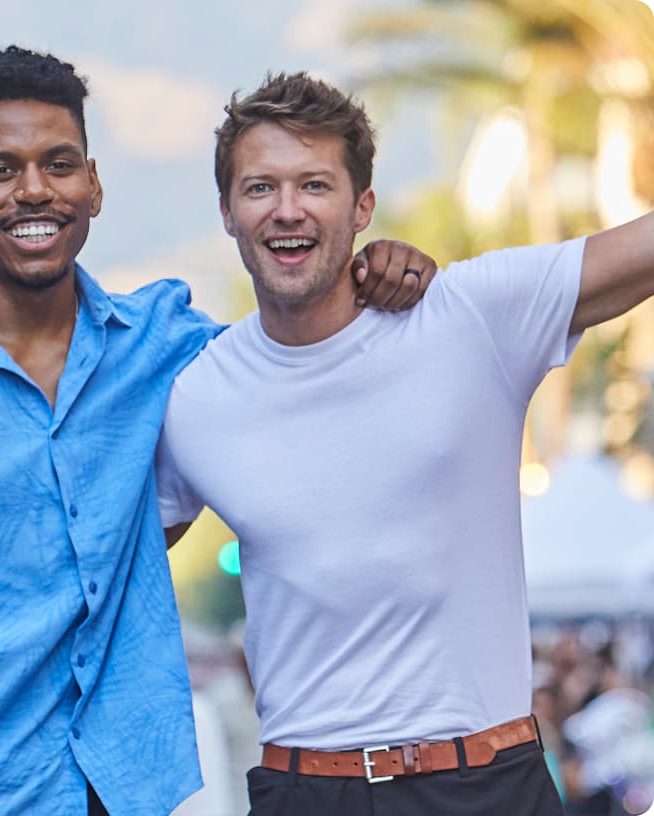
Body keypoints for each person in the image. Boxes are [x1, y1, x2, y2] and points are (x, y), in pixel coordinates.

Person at [0, 49, 435, 816]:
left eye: (59, 164)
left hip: (118, 795)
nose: (35, 191)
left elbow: (296, 341)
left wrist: (376, 266)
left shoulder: (167, 348)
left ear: (95, 185)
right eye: (0, 170)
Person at [155, 71, 654, 816]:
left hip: (490, 784)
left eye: (315, 185)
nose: (287, 211)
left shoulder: (467, 316)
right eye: (260, 188)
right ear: (227, 211)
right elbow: (106, 573)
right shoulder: (192, 398)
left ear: (362, 207)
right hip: (307, 792)